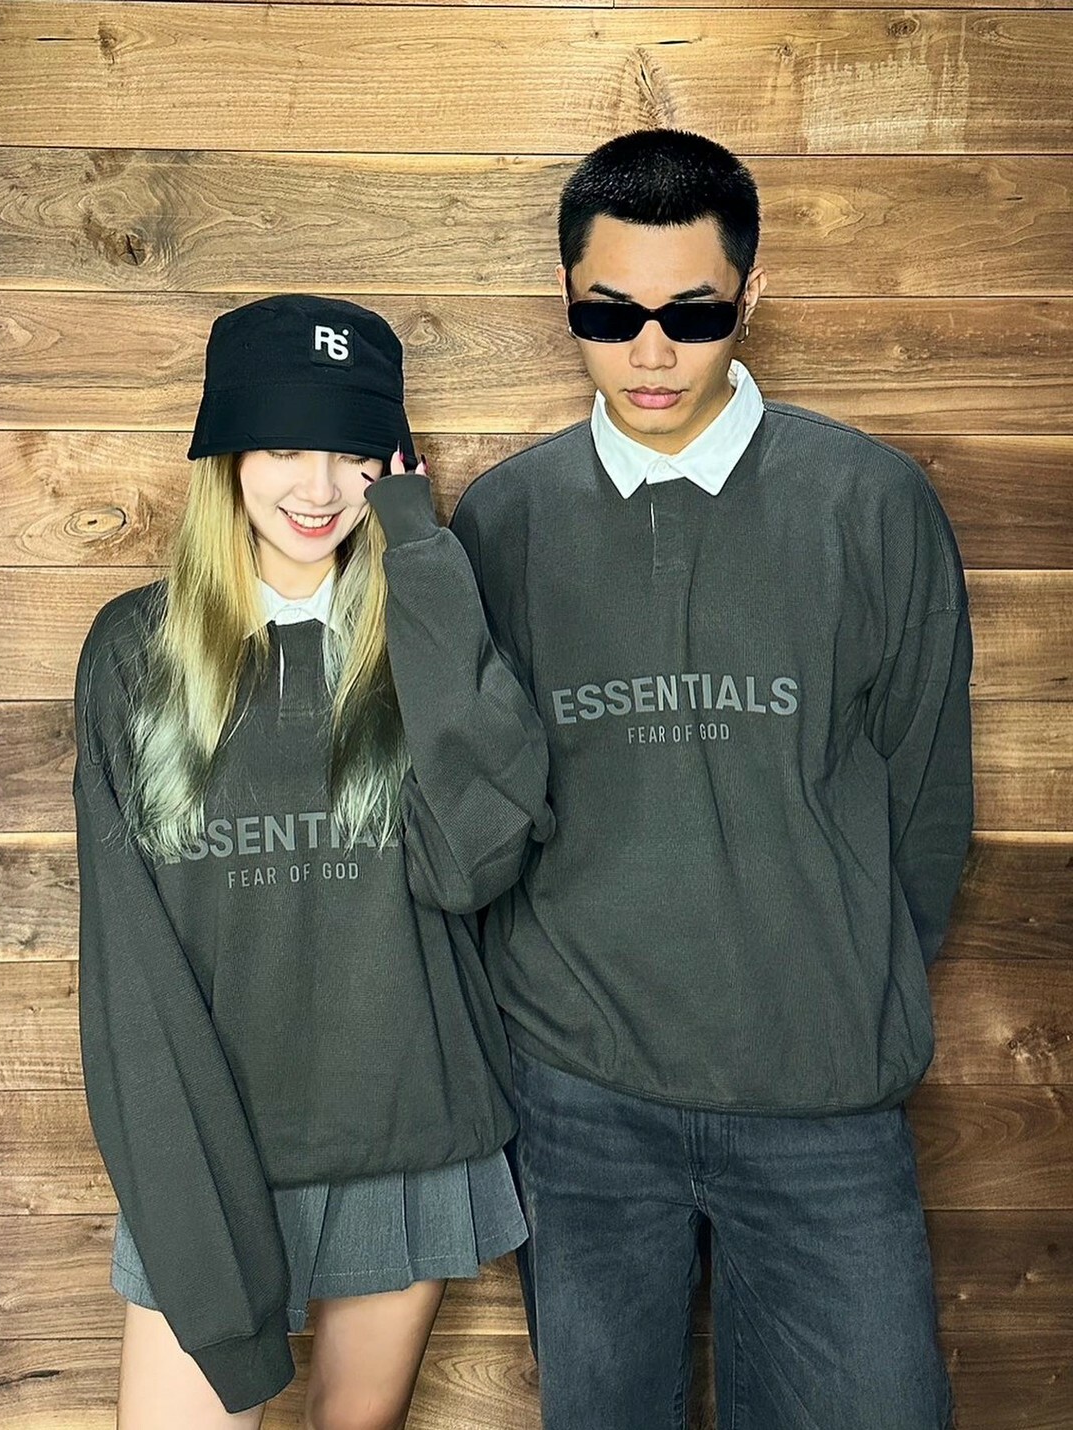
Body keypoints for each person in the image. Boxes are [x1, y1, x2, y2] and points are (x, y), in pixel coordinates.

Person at [450, 130, 972, 1430]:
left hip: (823, 1091)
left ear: (751, 293)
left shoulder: (870, 502)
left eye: (692, 313)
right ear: (565, 294)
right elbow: (478, 803)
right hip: (577, 1100)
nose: (651, 352)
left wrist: (840, 978)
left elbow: (926, 797)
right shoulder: (504, 522)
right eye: (608, 313)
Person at [73, 294, 552, 1429]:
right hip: (212, 1140)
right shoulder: (135, 652)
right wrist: (177, 1160)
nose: (319, 487)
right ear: (228, 456)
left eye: (351, 451)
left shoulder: (421, 631)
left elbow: (475, 860)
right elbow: (128, 959)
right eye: (284, 447)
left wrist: (421, 550)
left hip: (404, 1123)